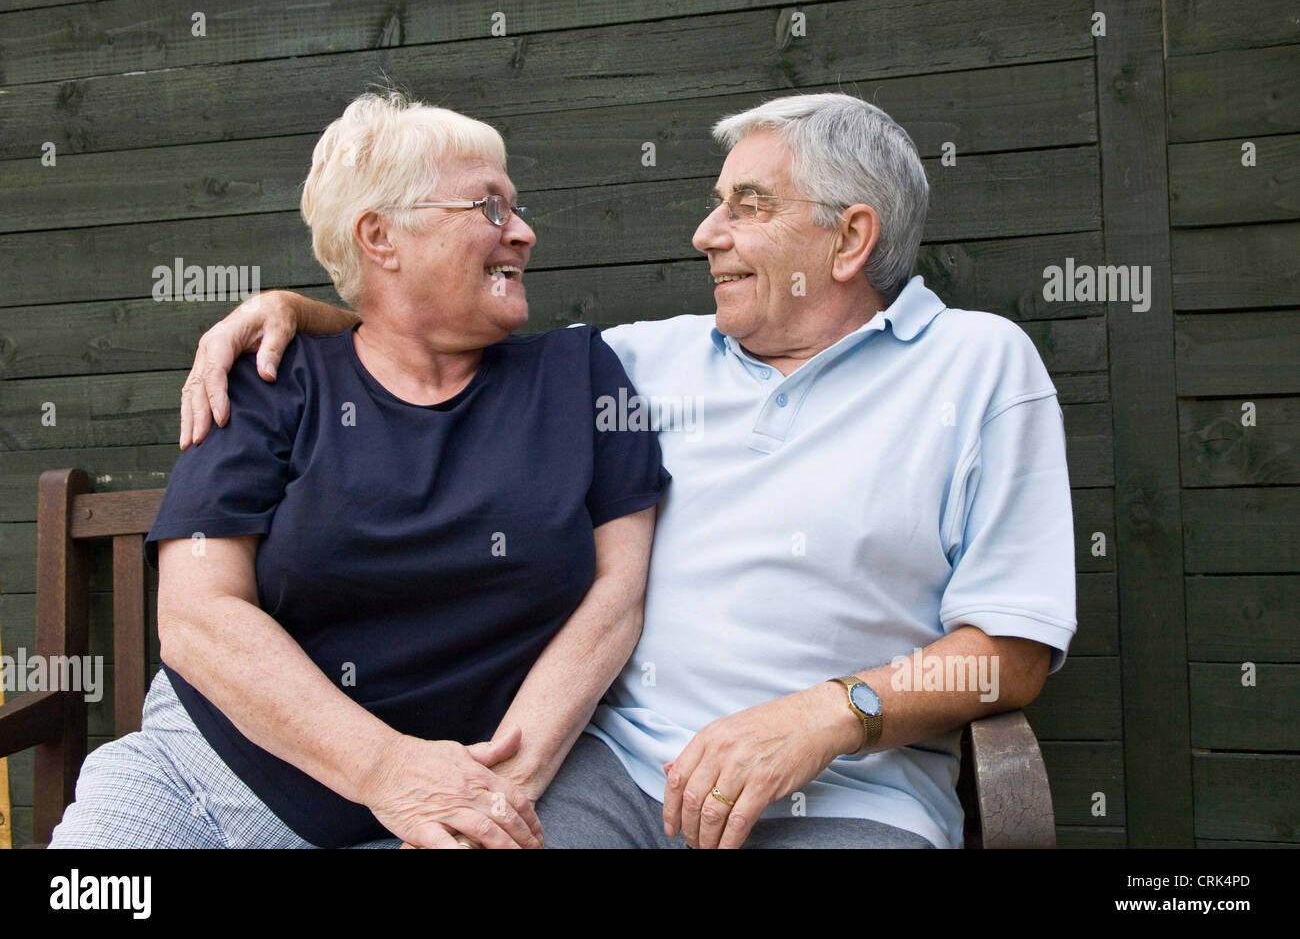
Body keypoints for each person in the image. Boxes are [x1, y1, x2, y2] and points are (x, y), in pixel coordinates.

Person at [181, 92, 1076, 849]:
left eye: (747, 205)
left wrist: (825, 716)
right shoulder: (642, 362)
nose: (705, 233)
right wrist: (293, 309)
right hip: (611, 780)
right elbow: (430, 333)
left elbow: (1013, 652)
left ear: (847, 240)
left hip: (847, 799)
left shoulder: (979, 368)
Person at [49, 91, 669, 849]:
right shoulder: (270, 377)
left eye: (517, 207)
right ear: (381, 236)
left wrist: (488, 797)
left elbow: (615, 598)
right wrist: (388, 771)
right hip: (208, 778)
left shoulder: (580, 378)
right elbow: (196, 617)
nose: (525, 233)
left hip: (462, 797)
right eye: (490, 207)